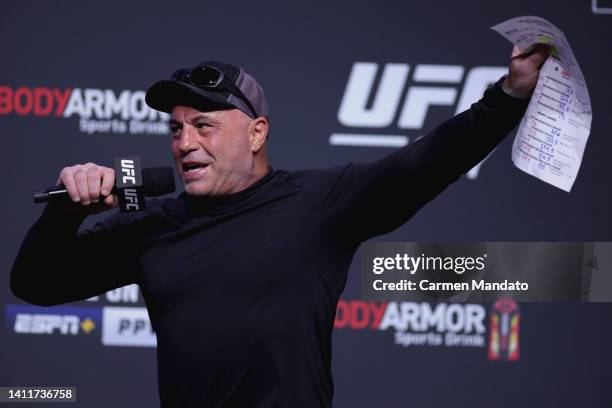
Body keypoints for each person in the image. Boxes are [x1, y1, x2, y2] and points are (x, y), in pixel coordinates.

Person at [11, 46, 549, 407]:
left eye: (203, 126)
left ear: (256, 133)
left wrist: (510, 94)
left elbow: (428, 162)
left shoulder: (318, 204)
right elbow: (35, 285)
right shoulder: (155, 224)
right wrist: (65, 215)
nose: (184, 143)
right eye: (175, 129)